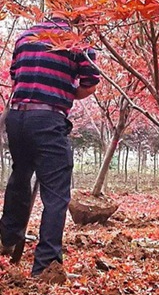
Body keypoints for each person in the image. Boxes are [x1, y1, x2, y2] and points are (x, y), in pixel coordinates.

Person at [0, 15, 101, 276]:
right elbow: (90, 82)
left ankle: (8, 237)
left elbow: (15, 77)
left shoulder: (25, 37)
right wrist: (68, 92)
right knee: (56, 193)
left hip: (17, 117)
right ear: (78, 16)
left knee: (20, 174)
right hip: (47, 118)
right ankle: (46, 264)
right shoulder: (76, 43)